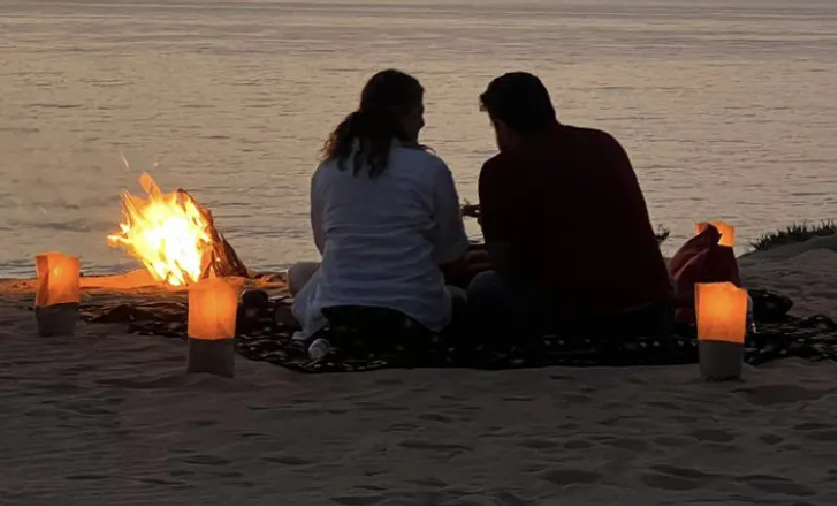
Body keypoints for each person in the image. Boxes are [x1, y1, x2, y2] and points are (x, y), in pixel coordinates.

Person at [468, 72, 674, 335]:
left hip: (580, 315)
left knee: (482, 288)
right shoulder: (603, 143)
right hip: (651, 308)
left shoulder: (501, 170)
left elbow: (506, 267)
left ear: (502, 126)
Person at [287, 69, 470, 341]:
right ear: (405, 115)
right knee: (459, 297)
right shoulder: (430, 168)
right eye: (419, 112)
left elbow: (325, 244)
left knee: (298, 273)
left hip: (336, 307)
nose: (422, 122)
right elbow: (451, 249)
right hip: (412, 311)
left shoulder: (328, 170)